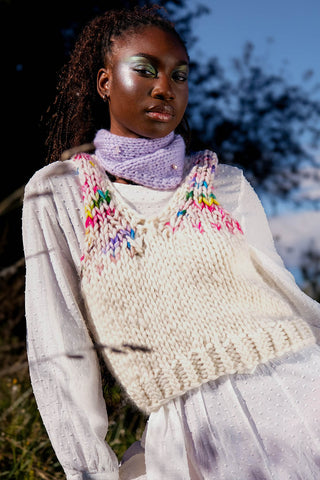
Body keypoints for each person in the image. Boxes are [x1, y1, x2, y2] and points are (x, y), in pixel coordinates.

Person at [22, 5, 320, 480]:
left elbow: (284, 293)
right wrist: (90, 470)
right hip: (190, 432)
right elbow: (58, 345)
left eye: (179, 75)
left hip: (300, 396)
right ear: (104, 83)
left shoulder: (226, 184)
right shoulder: (58, 190)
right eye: (145, 70)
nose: (165, 87)